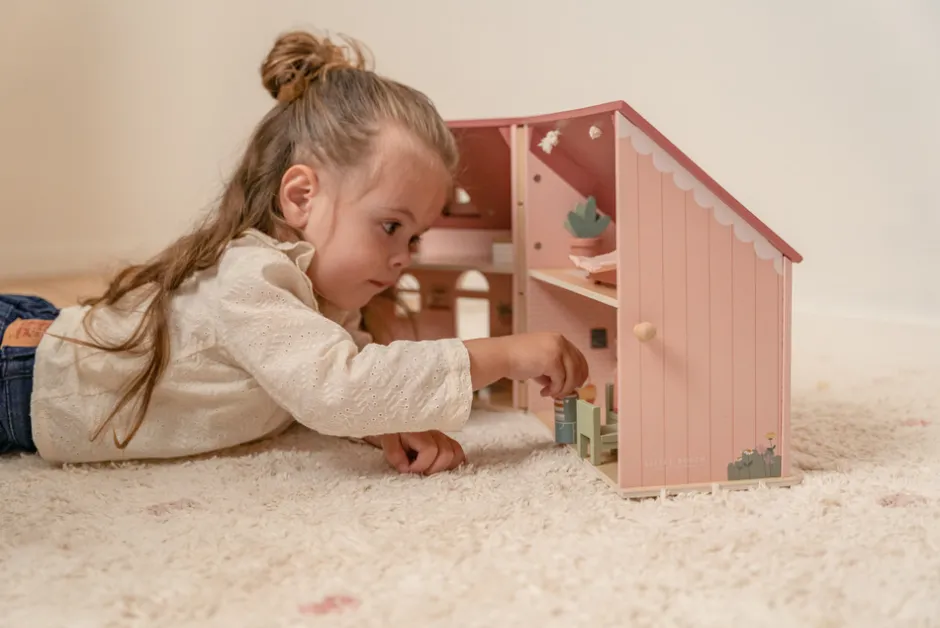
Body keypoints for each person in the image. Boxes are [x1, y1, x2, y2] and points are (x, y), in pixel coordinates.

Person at [0, 30, 588, 476]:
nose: (404, 256)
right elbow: (340, 387)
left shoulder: (317, 298)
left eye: (414, 238)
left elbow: (330, 385)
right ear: (302, 196)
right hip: (21, 373)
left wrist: (382, 424)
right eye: (390, 226)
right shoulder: (251, 276)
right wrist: (503, 353)